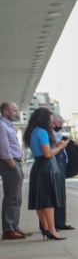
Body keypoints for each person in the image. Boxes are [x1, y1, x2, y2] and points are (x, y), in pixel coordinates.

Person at [23, 108, 69, 240]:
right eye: (50, 120)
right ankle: (52, 230)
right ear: (44, 120)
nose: (51, 124)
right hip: (47, 166)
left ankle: (45, 229)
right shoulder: (42, 132)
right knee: (48, 201)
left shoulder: (31, 132)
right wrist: (60, 146)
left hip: (37, 166)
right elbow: (47, 153)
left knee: (40, 201)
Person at [0, 101, 31, 239]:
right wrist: (13, 166)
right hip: (9, 164)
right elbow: (4, 150)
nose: (17, 113)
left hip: (14, 163)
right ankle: (8, 230)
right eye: (15, 111)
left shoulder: (8, 126)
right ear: (6, 112)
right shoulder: (1, 126)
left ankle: (14, 227)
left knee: (17, 199)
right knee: (11, 198)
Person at [51, 114, 74, 231]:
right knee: (56, 196)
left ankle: (61, 222)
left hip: (61, 168)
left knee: (61, 196)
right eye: (59, 124)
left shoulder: (59, 136)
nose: (60, 126)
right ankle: (55, 223)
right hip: (55, 168)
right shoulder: (49, 135)